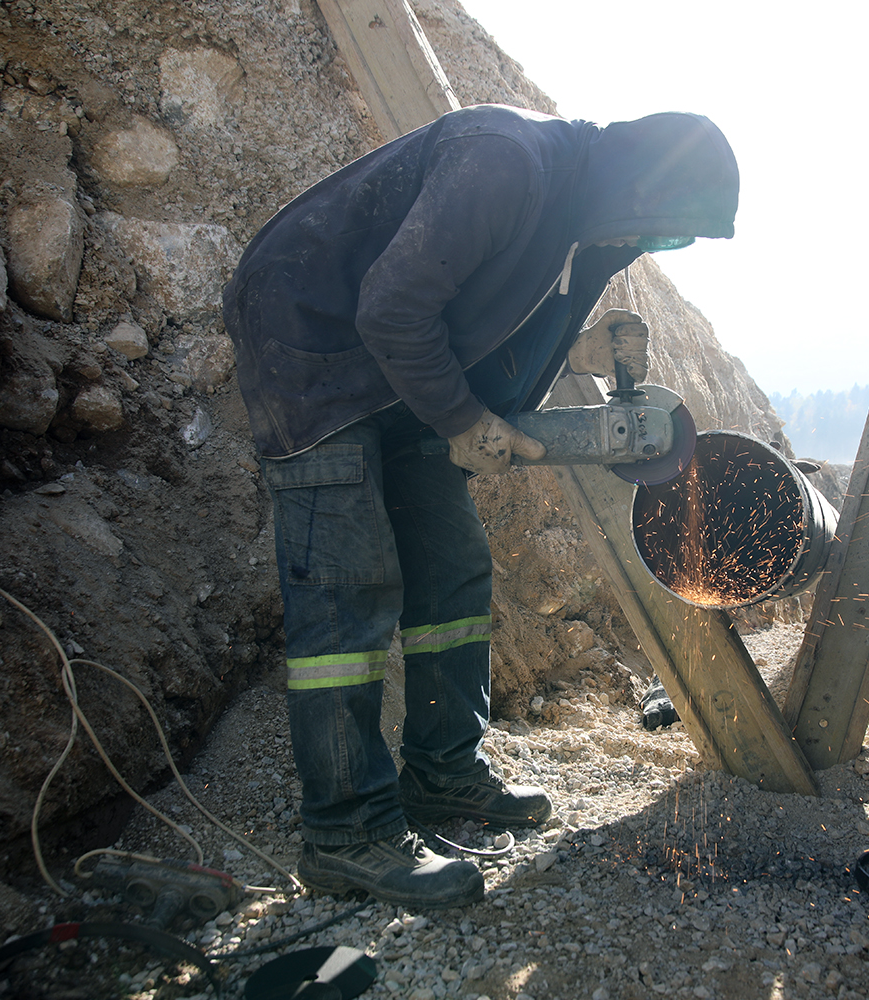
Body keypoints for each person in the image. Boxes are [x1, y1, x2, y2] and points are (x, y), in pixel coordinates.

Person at [223, 103, 738, 909]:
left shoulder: (579, 220)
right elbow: (392, 305)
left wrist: (579, 348)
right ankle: (344, 831)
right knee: (347, 591)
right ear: (638, 183)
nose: (652, 245)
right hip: (311, 343)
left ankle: (442, 773)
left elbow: (474, 321)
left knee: (454, 571)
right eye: (665, 229)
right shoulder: (507, 162)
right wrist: (462, 422)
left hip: (397, 365)